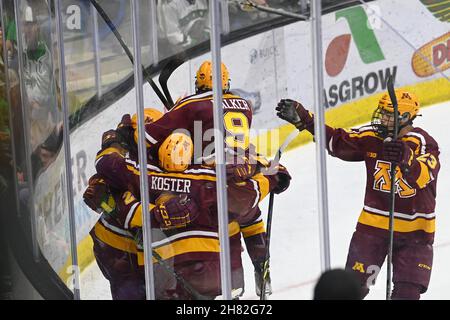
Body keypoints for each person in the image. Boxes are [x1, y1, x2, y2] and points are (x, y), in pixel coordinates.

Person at [276, 90, 440, 300]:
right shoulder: (372, 136)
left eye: (389, 114)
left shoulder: (423, 143)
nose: (382, 118)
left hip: (415, 234)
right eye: (382, 112)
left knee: (406, 295)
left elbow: (424, 176)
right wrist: (307, 121)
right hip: (373, 227)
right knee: (351, 289)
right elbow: (338, 141)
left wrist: (405, 157)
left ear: (406, 117)